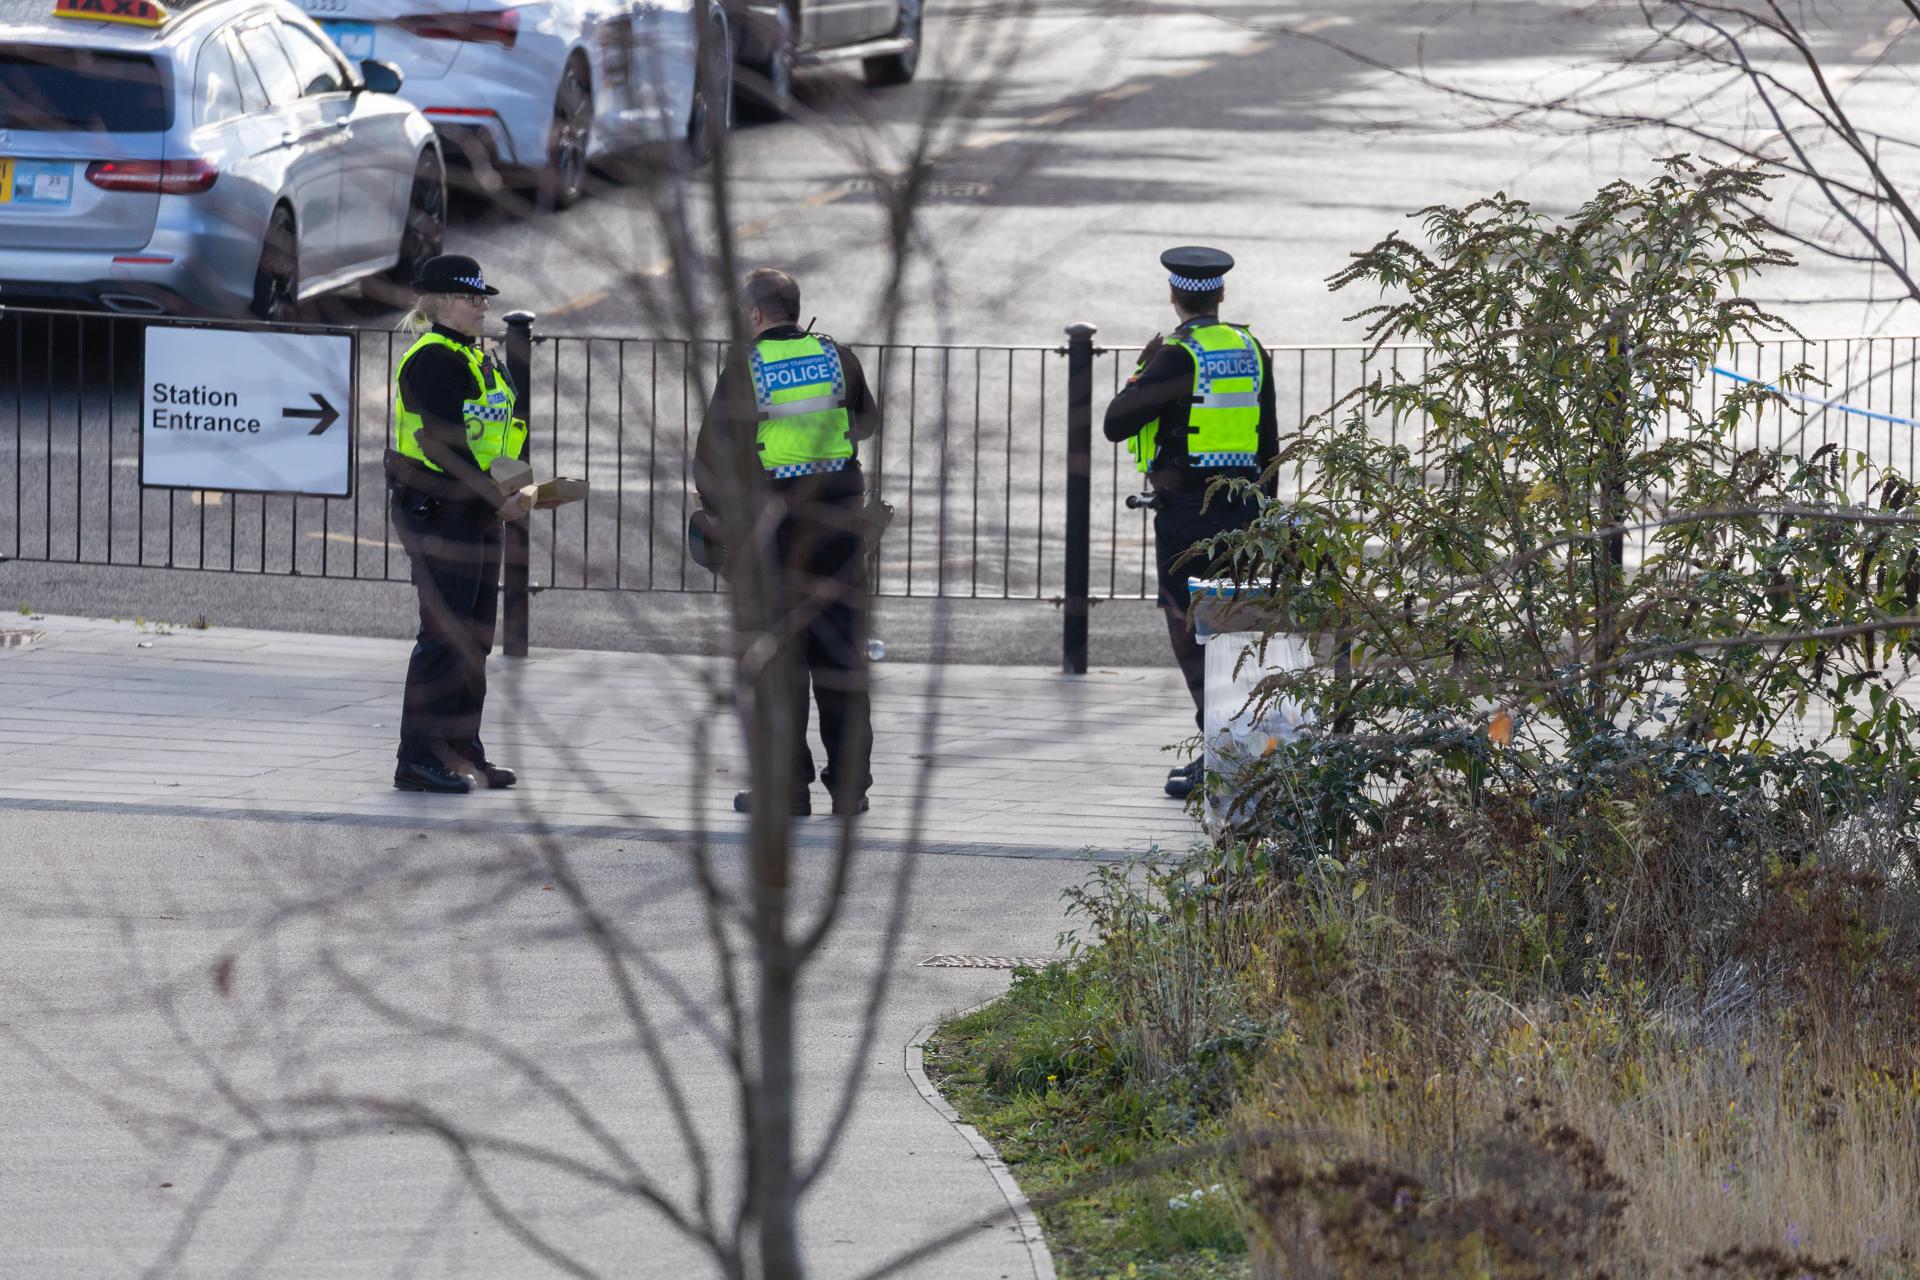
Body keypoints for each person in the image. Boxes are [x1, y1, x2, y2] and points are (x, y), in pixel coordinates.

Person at [695, 267, 881, 817]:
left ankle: (786, 788)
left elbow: (712, 458)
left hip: (774, 535)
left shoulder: (745, 368)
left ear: (754, 314)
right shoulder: (836, 358)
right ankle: (850, 790)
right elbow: (865, 423)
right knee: (841, 658)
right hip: (841, 531)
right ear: (795, 310)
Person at [1103, 246, 1279, 798]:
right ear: (1221, 293)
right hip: (1246, 508)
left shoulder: (1177, 355)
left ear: (1174, 294)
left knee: (1191, 630)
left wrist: (1141, 366)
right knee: (1236, 628)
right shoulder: (1251, 348)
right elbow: (1269, 443)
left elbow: (1116, 421)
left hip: (1188, 514)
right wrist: (1264, 515)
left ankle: (1220, 757)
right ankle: (1238, 754)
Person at [383, 254, 536, 794]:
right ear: (444, 302)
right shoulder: (432, 360)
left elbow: (499, 435)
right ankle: (419, 759)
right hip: (438, 510)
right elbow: (442, 445)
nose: (484, 306)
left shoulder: (479, 357)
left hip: (475, 510)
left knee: (473, 639)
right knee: (443, 636)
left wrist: (518, 486)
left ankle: (464, 752)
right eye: (474, 299)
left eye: (484, 298)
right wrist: (499, 499)